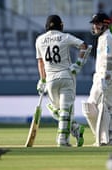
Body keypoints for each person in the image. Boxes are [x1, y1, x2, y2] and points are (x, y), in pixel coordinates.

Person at [35, 15, 90, 147]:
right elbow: (84, 46)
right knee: (65, 111)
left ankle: (65, 137)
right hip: (66, 76)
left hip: (50, 80)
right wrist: (78, 64)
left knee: (57, 111)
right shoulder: (65, 37)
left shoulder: (39, 40)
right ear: (61, 25)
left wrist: (42, 79)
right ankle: (70, 133)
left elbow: (41, 62)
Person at [82, 12, 112, 146]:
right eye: (94, 24)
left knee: (89, 107)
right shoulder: (103, 37)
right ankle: (108, 138)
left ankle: (103, 138)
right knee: (108, 107)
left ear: (105, 24)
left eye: (97, 23)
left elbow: (109, 58)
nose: (95, 26)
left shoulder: (108, 38)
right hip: (103, 75)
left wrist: (106, 76)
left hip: (105, 75)